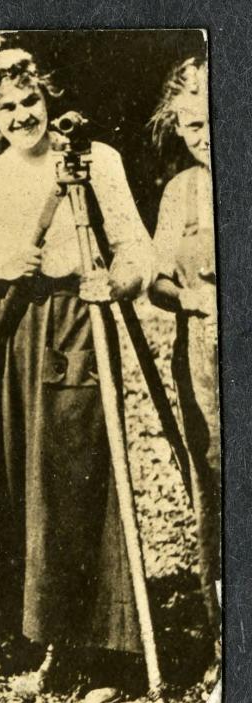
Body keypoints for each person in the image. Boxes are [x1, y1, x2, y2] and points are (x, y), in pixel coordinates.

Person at [0, 49, 155, 703]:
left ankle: (97, 650)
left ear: (47, 97)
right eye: (4, 107)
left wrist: (117, 281)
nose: (20, 116)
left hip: (75, 328)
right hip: (6, 336)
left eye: (28, 101)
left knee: (75, 477)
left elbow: (136, 248)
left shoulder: (96, 163)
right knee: (11, 480)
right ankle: (27, 636)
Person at [146, 57, 220, 637]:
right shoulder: (180, 192)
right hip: (204, 356)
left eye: (215, 119)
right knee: (213, 478)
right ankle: (224, 630)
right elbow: (155, 281)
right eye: (193, 127)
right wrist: (191, 299)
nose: (207, 136)